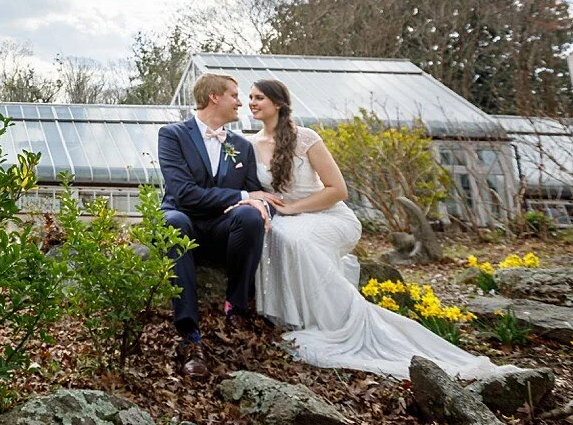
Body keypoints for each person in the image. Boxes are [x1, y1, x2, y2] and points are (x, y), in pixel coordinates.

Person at [246, 77, 504, 380]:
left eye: (259, 97)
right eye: (249, 97)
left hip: (328, 215)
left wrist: (292, 208)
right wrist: (258, 196)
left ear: (278, 103)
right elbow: (247, 187)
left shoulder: (306, 138)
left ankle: (336, 322)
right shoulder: (250, 144)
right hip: (288, 219)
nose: (251, 102)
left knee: (297, 238)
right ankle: (301, 318)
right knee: (277, 234)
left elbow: (338, 190)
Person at [157, 72, 280, 378]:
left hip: (224, 226)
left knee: (251, 216)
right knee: (174, 221)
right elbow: (183, 193)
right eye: (235, 95)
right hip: (184, 219)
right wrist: (242, 195)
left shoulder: (242, 145)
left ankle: (235, 309)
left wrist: (256, 202)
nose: (242, 103)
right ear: (214, 97)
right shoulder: (172, 135)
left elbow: (254, 193)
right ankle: (190, 336)